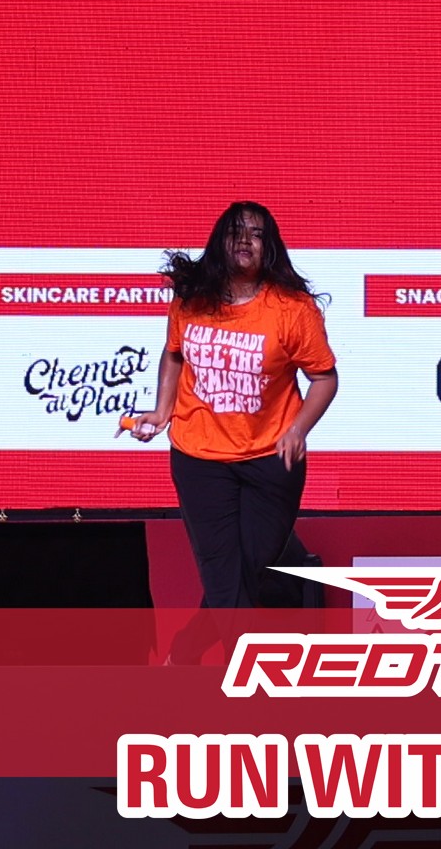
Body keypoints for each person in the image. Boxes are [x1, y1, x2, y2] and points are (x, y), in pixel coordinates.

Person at [120, 201, 339, 611]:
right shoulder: (190, 300)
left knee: (248, 569)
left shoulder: (292, 310)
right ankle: (221, 655)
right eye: (236, 232)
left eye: (257, 234)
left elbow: (325, 379)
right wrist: (163, 410)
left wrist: (298, 430)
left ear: (269, 248)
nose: (245, 241)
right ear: (219, 241)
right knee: (222, 572)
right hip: (199, 457)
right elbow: (174, 352)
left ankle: (190, 643)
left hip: (271, 457)